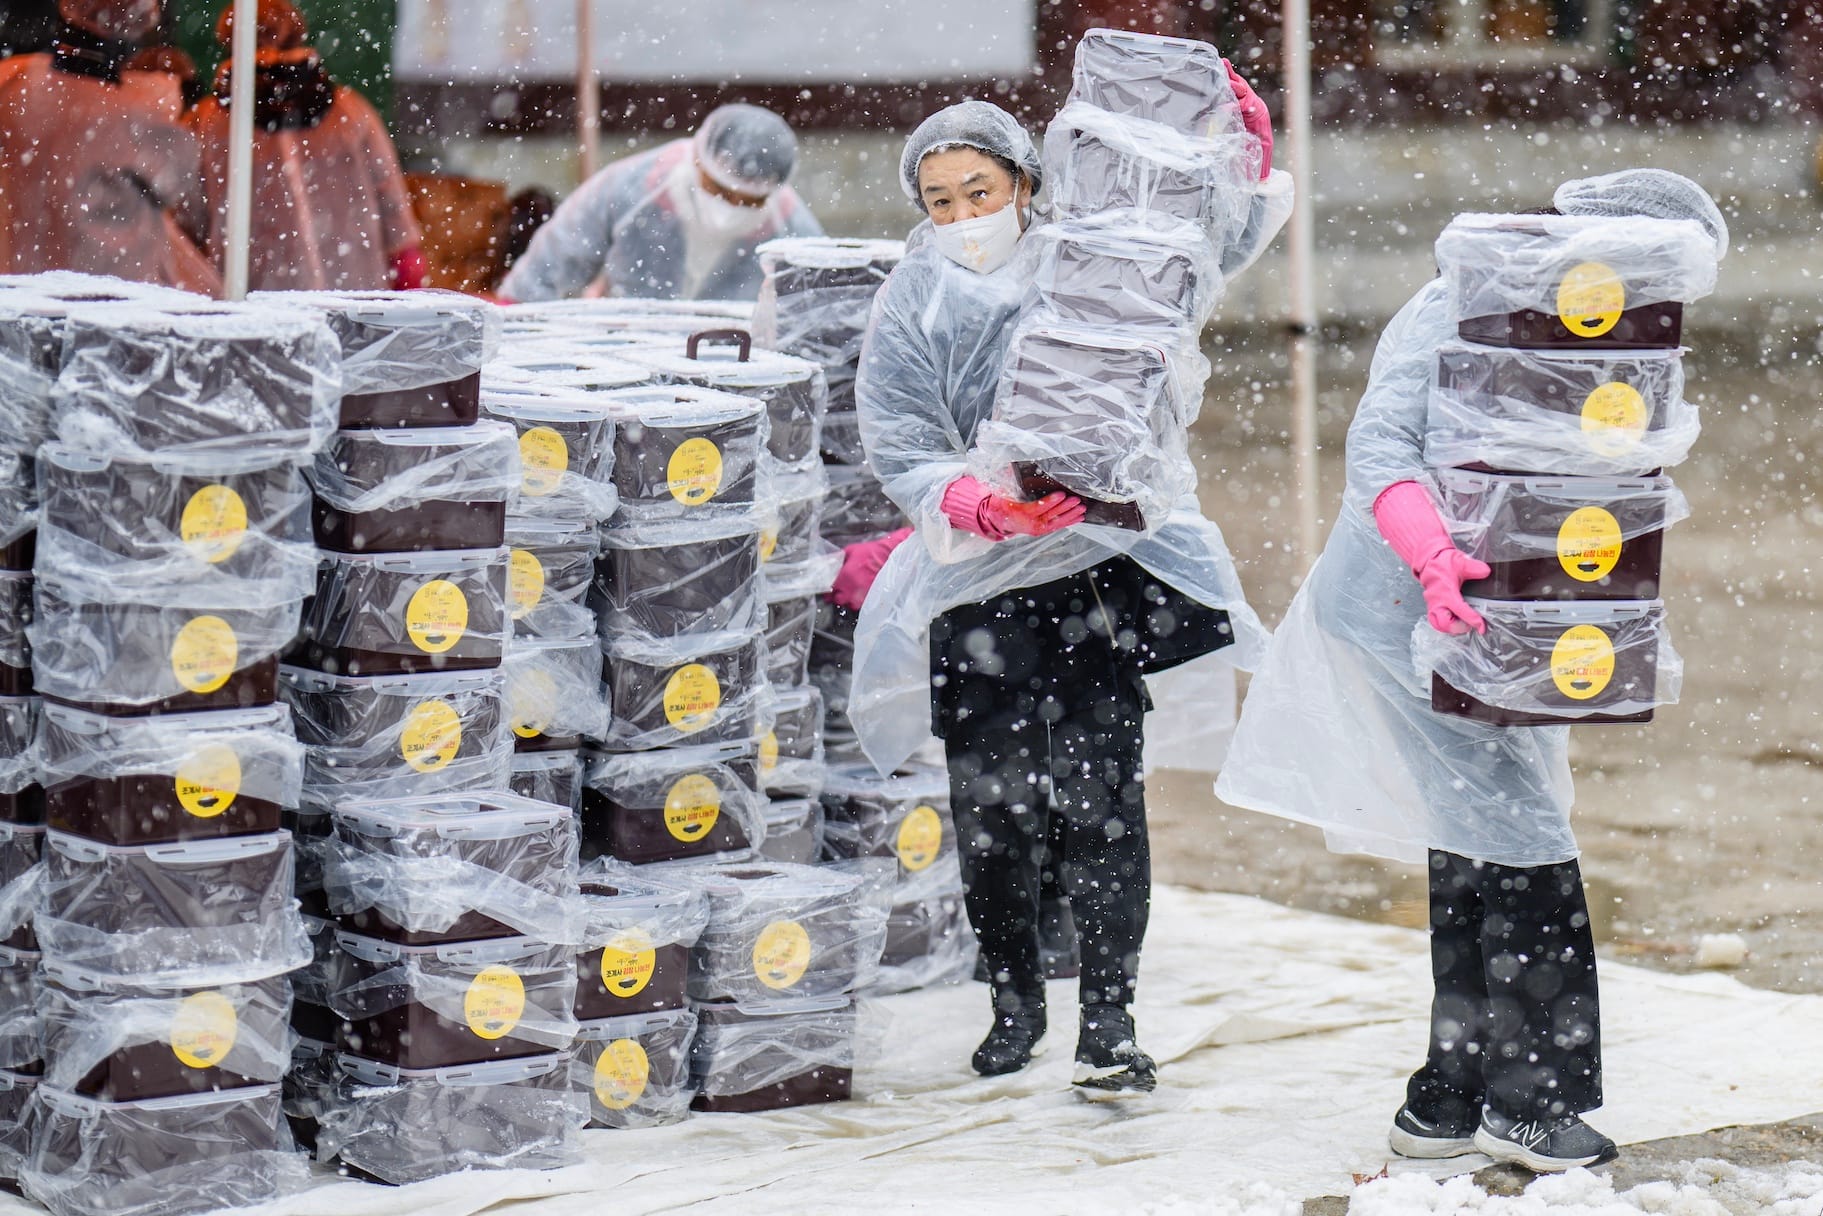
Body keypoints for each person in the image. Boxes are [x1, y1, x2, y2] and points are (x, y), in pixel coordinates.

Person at [1216, 170, 1728, 1170]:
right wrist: (1429, 550)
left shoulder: (1595, 327)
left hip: (1512, 616)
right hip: (1411, 605)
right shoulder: (1468, 296)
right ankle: (1528, 1101)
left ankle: (1446, 1100)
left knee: (1475, 831)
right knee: (1523, 838)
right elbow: (1381, 446)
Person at [848, 94, 1287, 1095]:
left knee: (1100, 806)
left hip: (1093, 579)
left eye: (980, 192)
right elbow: (898, 439)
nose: (963, 215)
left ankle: (1108, 1021)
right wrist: (967, 499)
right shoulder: (910, 300)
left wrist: (1240, 158)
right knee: (993, 817)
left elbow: (1203, 255)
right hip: (977, 587)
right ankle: (1013, 1000)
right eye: (940, 199)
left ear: (1023, 186)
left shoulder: (1088, 259)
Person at [188, 0, 424, 292]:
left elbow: (188, 220)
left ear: (229, 39)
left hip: (252, 298)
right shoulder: (352, 112)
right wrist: (406, 266)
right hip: (351, 291)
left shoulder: (206, 122)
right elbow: (392, 206)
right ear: (299, 33)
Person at [498, 103, 823, 303]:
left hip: (732, 370)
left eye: (748, 202)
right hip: (622, 359)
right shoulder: (632, 189)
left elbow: (825, 310)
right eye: (721, 192)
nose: (728, 210)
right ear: (698, 161)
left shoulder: (792, 229)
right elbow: (549, 265)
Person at [0, 0, 220, 292]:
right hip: (115, 282)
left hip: (22, 276)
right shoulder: (146, 106)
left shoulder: (15, 82)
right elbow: (181, 190)